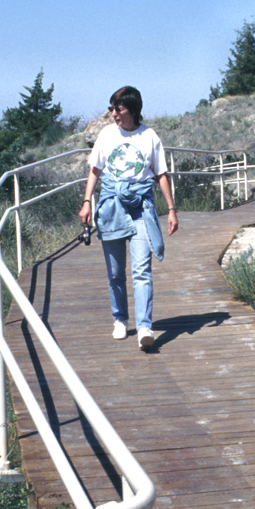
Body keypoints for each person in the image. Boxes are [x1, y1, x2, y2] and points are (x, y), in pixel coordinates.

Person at [79, 85, 178, 350]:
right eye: (112, 108)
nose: (113, 113)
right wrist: (87, 201)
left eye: (118, 109)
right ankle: (120, 319)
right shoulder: (107, 134)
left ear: (132, 110)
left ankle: (145, 327)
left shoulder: (149, 137)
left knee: (142, 269)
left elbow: (161, 174)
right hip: (111, 205)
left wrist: (171, 209)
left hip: (140, 208)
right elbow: (95, 170)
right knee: (115, 271)